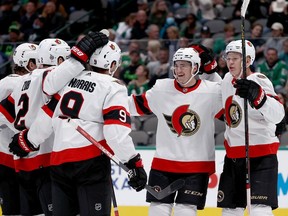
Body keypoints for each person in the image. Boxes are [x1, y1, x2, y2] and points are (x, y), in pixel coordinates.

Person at [8, 40, 148, 215]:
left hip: (59, 163)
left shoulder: (69, 81)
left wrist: (28, 141)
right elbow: (115, 134)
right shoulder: (113, 86)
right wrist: (134, 163)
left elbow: (46, 118)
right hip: (90, 163)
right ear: (112, 64)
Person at [1, 33, 109, 215]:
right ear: (59, 59)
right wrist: (82, 50)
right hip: (45, 160)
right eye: (64, 58)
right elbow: (70, 69)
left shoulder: (21, 82)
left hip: (22, 162)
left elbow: (5, 112)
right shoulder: (47, 77)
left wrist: (19, 133)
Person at [128, 46, 222, 216]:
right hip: (163, 164)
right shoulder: (161, 88)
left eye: (184, 65)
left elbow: (232, 107)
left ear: (195, 68)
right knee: (157, 211)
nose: (178, 70)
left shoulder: (212, 91)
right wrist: (100, 106)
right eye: (176, 65)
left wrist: (214, 72)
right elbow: (132, 105)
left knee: (184, 212)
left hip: (196, 167)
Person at [217, 40, 285, 215]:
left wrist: (258, 96)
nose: (230, 62)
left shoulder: (258, 80)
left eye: (235, 58)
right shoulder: (226, 80)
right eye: (228, 58)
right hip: (233, 157)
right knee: (230, 210)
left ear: (247, 61)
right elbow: (221, 109)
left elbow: (278, 114)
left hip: (260, 155)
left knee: (259, 209)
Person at [0, 42, 38, 216]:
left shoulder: (8, 83)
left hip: (15, 156)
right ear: (29, 63)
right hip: (14, 157)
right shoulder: (14, 84)